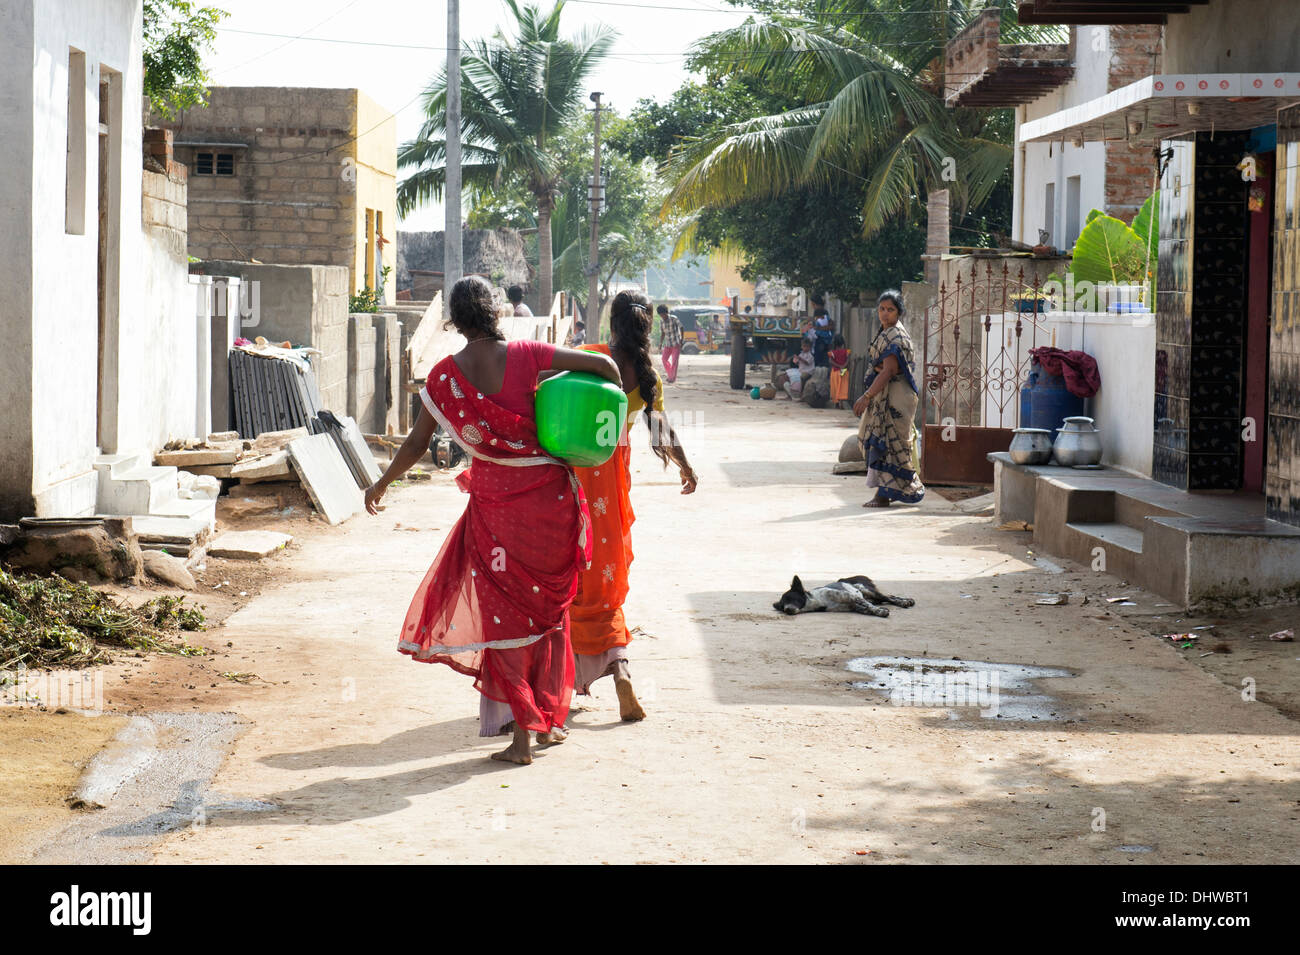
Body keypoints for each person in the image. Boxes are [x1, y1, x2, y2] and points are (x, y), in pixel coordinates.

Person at [364, 276, 622, 765]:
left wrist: (381, 483)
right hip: (550, 502)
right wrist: (578, 415)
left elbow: (418, 444)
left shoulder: (443, 376)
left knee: (504, 615)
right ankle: (547, 722)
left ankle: (522, 736)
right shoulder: (529, 355)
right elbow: (605, 366)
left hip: (497, 508)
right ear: (496, 311)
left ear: (456, 322)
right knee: (549, 611)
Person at [571, 290, 697, 720]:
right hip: (611, 481)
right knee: (607, 575)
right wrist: (687, 468)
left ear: (612, 323)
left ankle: (559, 678)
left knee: (569, 571)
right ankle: (620, 669)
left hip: (574, 474)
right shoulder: (647, 376)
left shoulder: (589, 357)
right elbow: (662, 433)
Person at [852, 290, 925, 508]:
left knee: (890, 445)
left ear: (899, 312)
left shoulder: (895, 336)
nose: (885, 314)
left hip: (896, 398)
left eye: (890, 310)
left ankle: (883, 495)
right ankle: (889, 491)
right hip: (885, 395)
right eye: (882, 309)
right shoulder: (884, 332)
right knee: (876, 440)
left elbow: (888, 371)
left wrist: (866, 396)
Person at [658, 304, 683, 383]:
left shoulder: (674, 319)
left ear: (666, 312)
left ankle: (672, 378)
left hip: (676, 343)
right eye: (660, 315)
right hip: (667, 344)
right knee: (664, 359)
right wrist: (660, 343)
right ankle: (670, 375)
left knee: (674, 361)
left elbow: (681, 327)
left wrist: (682, 339)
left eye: (663, 314)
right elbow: (662, 333)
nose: (662, 316)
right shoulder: (661, 321)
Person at [829, 334, 851, 410]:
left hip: (835, 371)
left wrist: (838, 366)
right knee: (842, 387)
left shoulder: (832, 352)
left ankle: (836, 403)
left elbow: (830, 361)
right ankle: (841, 403)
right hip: (844, 371)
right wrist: (843, 365)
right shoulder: (846, 351)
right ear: (842, 343)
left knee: (835, 387)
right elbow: (848, 360)